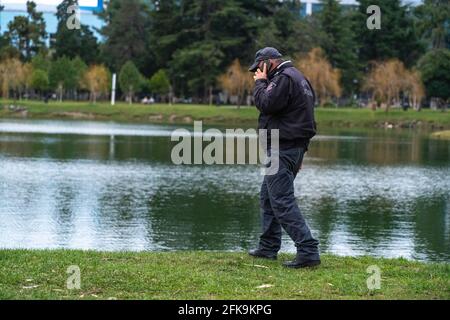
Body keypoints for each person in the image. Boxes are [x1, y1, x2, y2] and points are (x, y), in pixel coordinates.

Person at [248, 47, 321, 269]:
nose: (257, 73)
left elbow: (266, 103)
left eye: (259, 68)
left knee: (281, 200)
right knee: (268, 197)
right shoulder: (299, 78)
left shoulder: (283, 78)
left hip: (283, 147)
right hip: (293, 148)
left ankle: (308, 250)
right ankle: (268, 247)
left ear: (268, 63)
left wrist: (260, 83)